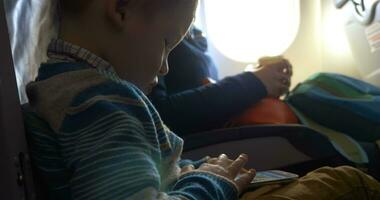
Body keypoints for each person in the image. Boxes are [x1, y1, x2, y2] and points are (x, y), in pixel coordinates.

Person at [24, 0, 380, 199]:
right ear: (120, 9)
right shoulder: (101, 104)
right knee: (346, 183)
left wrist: (197, 173)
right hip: (204, 192)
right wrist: (211, 182)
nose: (164, 68)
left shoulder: (61, 85)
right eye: (166, 45)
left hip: (192, 185)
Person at [149, 27, 293, 135]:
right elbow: (155, 115)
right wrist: (253, 82)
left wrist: (256, 77)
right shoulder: (153, 28)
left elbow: (204, 93)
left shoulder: (193, 35)